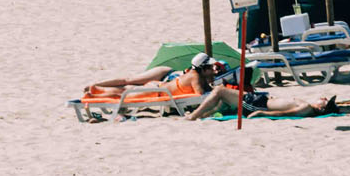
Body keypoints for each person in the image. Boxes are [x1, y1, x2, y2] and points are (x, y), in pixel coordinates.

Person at [86, 52, 222, 101]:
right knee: (125, 93)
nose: (213, 69)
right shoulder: (195, 77)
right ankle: (96, 94)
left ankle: (98, 90)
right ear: (203, 68)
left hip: (159, 87)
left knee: (126, 90)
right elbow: (200, 94)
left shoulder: (195, 75)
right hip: (159, 89)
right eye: (211, 67)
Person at [186, 87, 337, 120]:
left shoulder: (306, 108)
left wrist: (262, 113)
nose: (323, 98)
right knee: (224, 100)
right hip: (260, 101)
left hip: (258, 105)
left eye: (324, 100)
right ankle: (202, 115)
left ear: (321, 107)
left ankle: (193, 116)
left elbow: (284, 114)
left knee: (219, 91)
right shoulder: (307, 107)